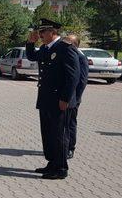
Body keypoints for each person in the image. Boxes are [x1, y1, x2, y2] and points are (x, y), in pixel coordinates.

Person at [25, 19, 80, 180]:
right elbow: (32, 56)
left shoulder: (64, 48)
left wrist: (65, 98)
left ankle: (61, 167)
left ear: (53, 32)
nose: (40, 35)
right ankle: (52, 162)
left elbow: (73, 76)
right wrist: (30, 42)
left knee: (59, 134)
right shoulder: (45, 48)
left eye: (43, 32)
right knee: (48, 133)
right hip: (46, 99)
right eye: (39, 32)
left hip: (59, 100)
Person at [62, 34, 89, 159]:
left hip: (73, 99)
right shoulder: (68, 55)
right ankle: (63, 146)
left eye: (68, 42)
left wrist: (76, 98)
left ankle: (70, 148)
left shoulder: (80, 57)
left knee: (71, 123)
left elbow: (82, 81)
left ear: (74, 44)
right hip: (67, 96)